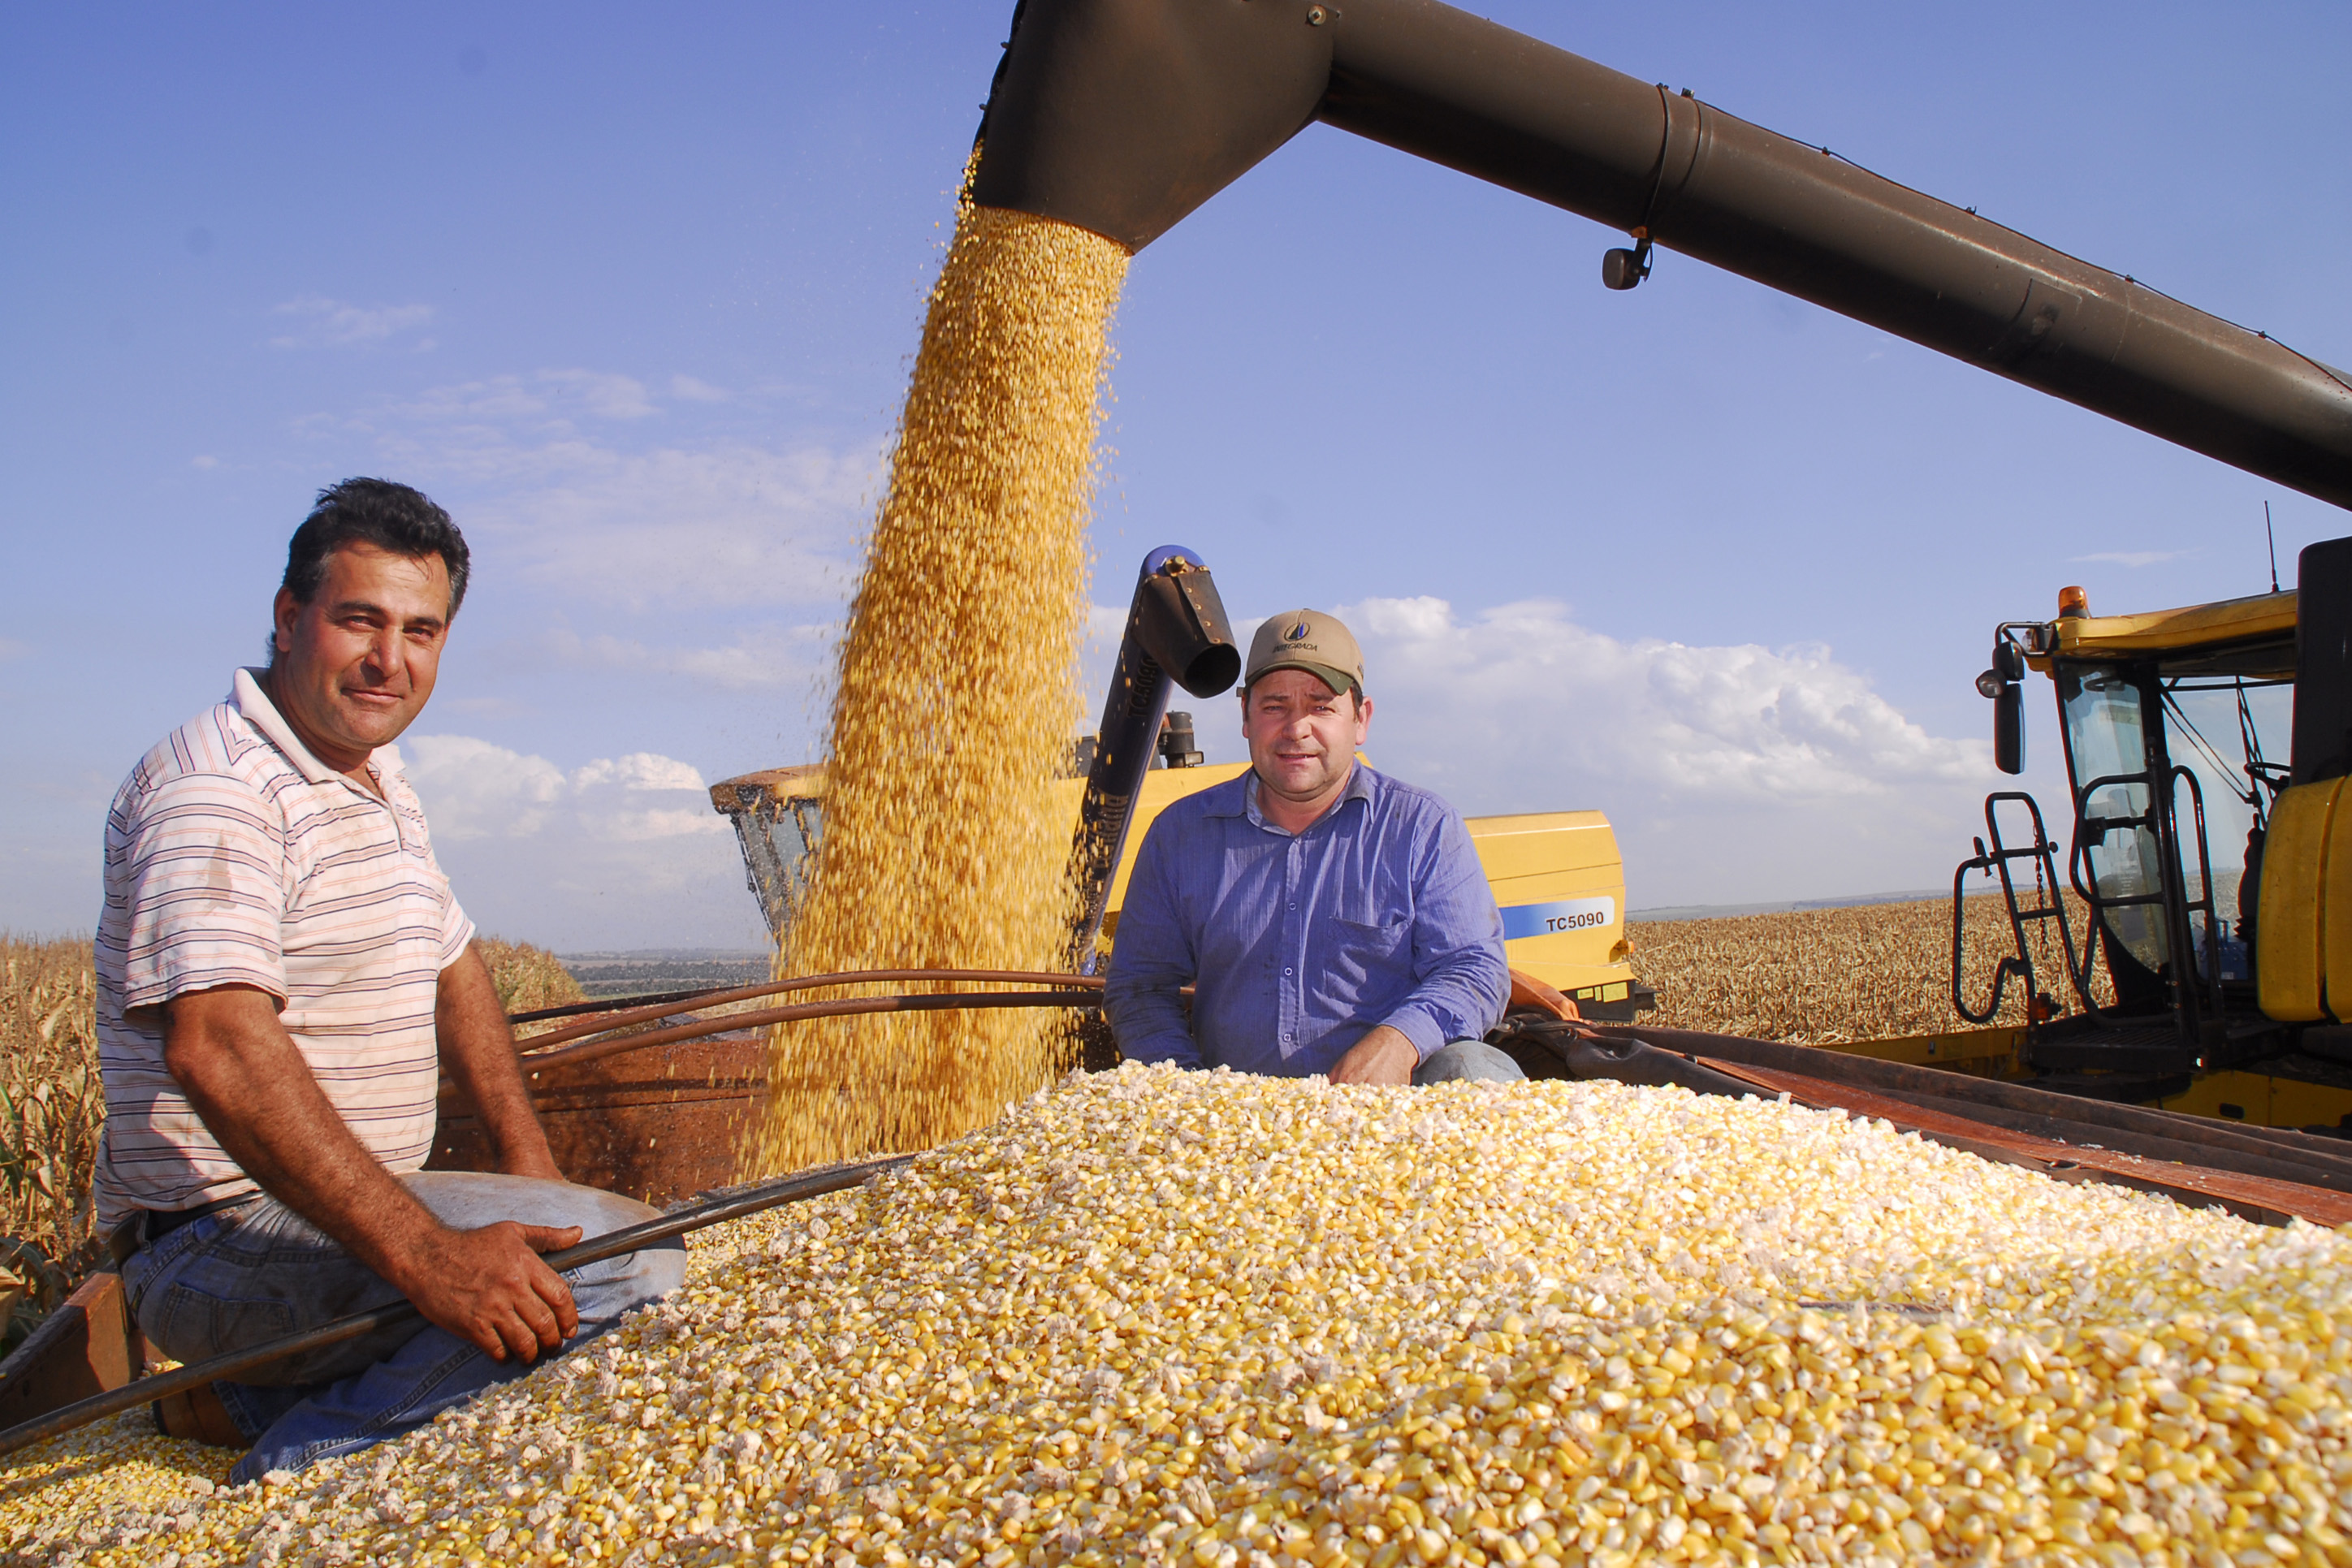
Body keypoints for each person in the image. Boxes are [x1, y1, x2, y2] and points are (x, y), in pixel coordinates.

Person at [93, 478, 685, 1482]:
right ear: (290, 619)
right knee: (627, 1262)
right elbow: (220, 1046)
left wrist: (530, 1165)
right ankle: (307, 1465)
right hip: (219, 1239)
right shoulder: (219, 788)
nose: (390, 660)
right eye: (359, 620)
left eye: (422, 630)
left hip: (340, 1215)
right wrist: (426, 1255)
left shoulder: (372, 769)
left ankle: (242, 1393)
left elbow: (451, 959)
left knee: (583, 1239)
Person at [1105, 608, 1521, 1084]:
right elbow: (1140, 987)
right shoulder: (1179, 837)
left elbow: (1473, 968)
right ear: (1245, 716)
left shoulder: (1422, 829)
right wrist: (1191, 1089)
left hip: (1396, 1115)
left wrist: (1399, 1040)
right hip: (1236, 1117)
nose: (1296, 729)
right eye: (1274, 706)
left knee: (1479, 1071)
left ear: (1360, 719)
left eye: (1321, 706)